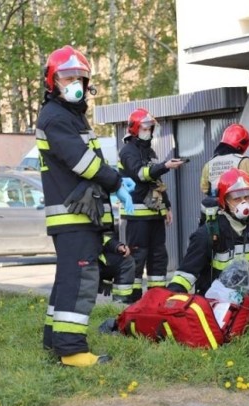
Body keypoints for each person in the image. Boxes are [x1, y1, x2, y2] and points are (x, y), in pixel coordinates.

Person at [36, 45, 133, 367]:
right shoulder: (56, 117)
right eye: (67, 77)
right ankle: (72, 351)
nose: (75, 83)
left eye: (80, 77)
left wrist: (114, 179)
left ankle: (55, 340)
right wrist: (116, 181)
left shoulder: (68, 115)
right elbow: (82, 163)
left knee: (68, 278)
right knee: (80, 279)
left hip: (76, 215)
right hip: (73, 215)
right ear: (53, 82)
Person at [167, 168, 249, 318]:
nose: (244, 203)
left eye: (247, 197)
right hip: (217, 297)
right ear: (224, 201)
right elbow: (186, 274)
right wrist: (170, 300)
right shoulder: (207, 233)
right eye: (237, 198)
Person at [118, 108, 186, 302]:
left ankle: (157, 299)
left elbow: (157, 183)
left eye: (151, 128)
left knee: (158, 257)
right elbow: (141, 174)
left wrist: (167, 207)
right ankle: (133, 300)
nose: (149, 131)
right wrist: (164, 166)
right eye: (146, 127)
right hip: (137, 215)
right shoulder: (128, 152)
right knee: (138, 258)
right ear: (135, 129)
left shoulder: (150, 151)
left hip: (155, 214)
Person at [97, 231, 136, 304]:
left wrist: (118, 246)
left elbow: (103, 239)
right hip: (79, 266)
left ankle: (121, 305)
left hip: (95, 262)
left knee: (126, 261)